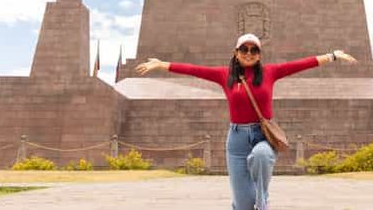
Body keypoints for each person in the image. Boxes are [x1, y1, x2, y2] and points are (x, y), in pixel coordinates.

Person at [135, 33, 357, 210]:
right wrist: (162, 64)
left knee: (261, 156)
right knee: (242, 204)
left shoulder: (271, 72)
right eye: (244, 49)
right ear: (236, 52)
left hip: (263, 135)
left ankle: (262, 202)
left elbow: (303, 63)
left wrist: (333, 55)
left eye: (254, 50)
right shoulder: (225, 75)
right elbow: (195, 70)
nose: (249, 53)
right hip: (237, 140)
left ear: (259, 54)